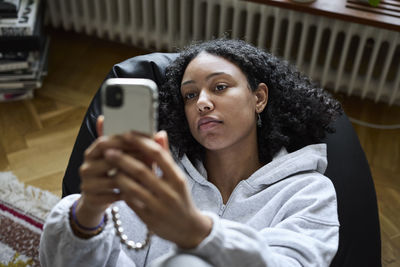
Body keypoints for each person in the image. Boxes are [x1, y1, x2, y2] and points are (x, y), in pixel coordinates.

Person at [39, 39, 342, 267]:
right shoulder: (155, 169)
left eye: (220, 87)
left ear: (258, 97)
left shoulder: (308, 191)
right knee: (69, 207)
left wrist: (198, 232)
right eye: (190, 94)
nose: (203, 103)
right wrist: (88, 215)